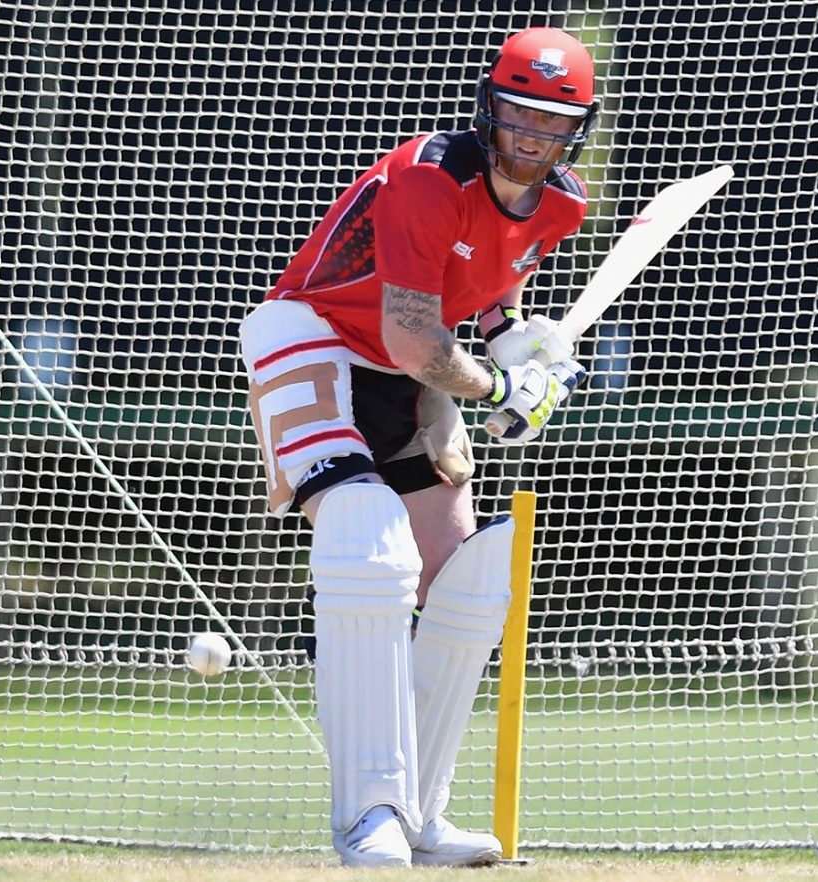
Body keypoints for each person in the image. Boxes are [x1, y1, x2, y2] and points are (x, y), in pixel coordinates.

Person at [239, 27, 599, 868]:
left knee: (461, 577)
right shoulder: (428, 177)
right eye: (516, 115)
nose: (530, 139)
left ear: (575, 131)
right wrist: (504, 391)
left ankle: (420, 817)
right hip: (315, 334)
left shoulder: (565, 204)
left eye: (551, 124)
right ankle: (369, 816)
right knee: (367, 536)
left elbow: (484, 289)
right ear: (488, 108)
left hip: (412, 367)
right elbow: (410, 334)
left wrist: (518, 347)